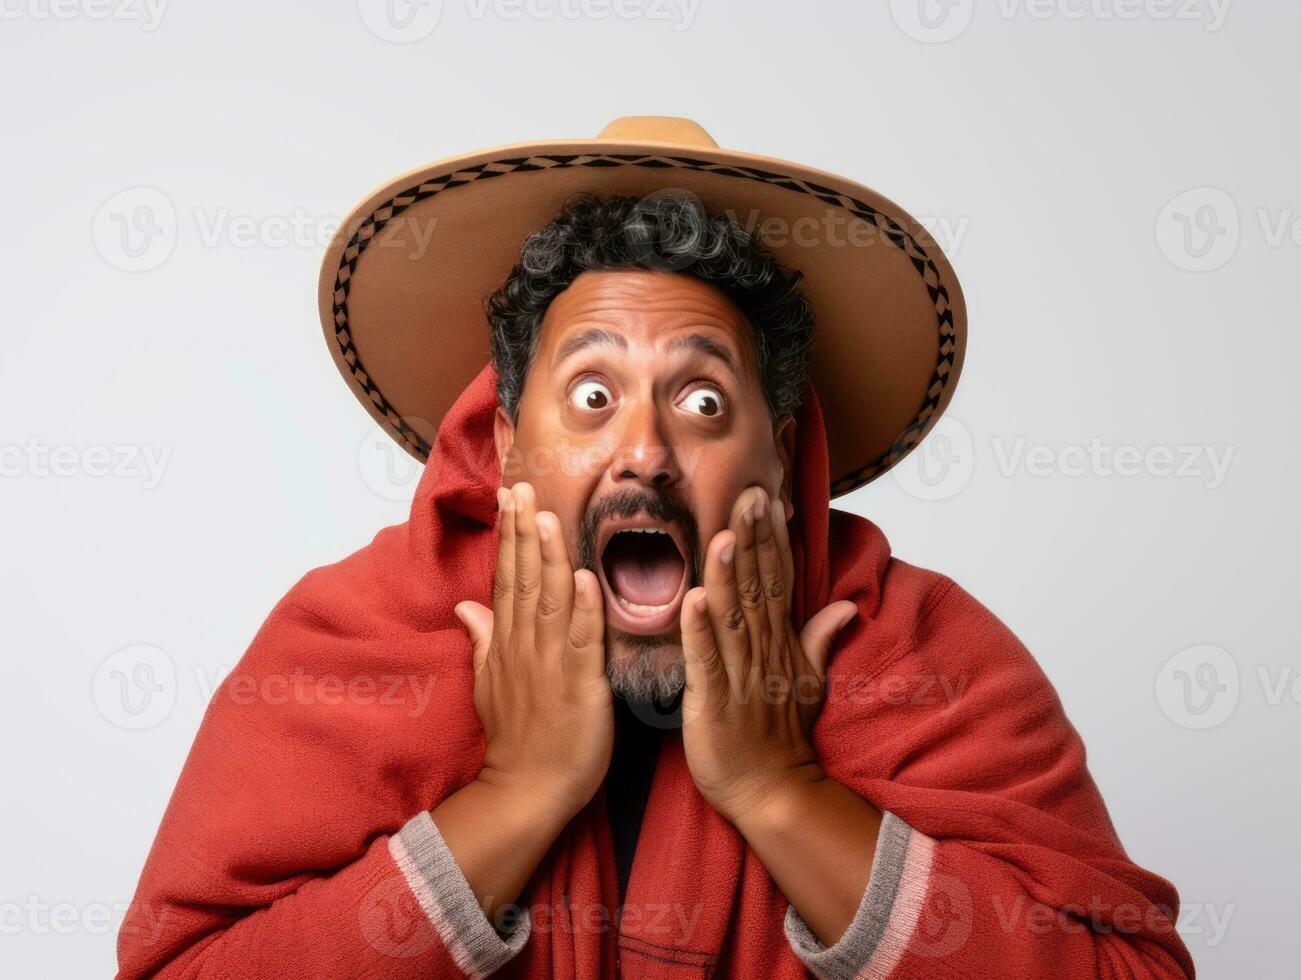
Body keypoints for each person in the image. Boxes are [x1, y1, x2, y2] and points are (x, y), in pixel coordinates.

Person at [118, 118, 1194, 978]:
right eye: (591, 394)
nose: (644, 449)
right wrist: (513, 791)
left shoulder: (920, 650)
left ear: (776, 453)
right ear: (506, 446)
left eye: (700, 397)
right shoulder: (351, 633)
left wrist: (783, 790)